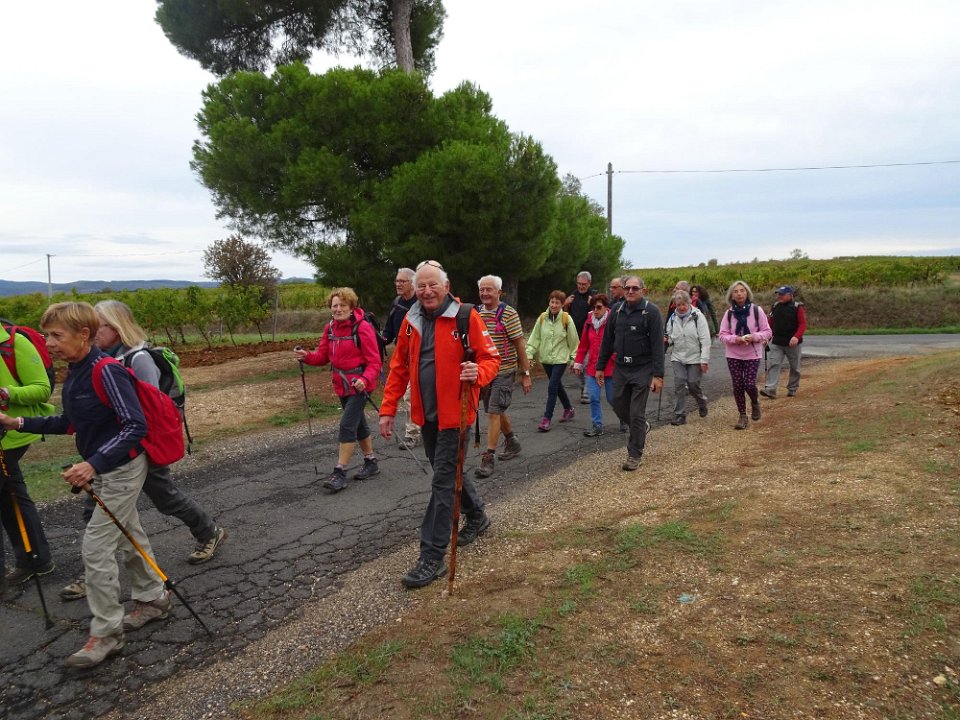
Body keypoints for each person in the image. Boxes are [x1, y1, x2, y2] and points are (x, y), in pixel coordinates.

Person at [0, 302, 168, 668]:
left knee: (95, 548)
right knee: (127, 534)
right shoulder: (76, 372)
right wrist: (18, 423)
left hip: (122, 468)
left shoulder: (106, 371)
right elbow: (70, 422)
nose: (48, 343)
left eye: (56, 336)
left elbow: (134, 426)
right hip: (107, 467)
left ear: (84, 335)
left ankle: (107, 633)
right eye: (47, 335)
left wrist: (93, 464)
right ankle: (153, 598)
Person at [57, 301, 229, 603]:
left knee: (165, 498)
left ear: (117, 326)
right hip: (115, 452)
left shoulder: (138, 359)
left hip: (140, 447)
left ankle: (209, 532)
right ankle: (94, 573)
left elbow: (149, 410)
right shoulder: (100, 359)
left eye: (101, 325)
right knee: (98, 509)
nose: (95, 331)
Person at [378, 260, 500, 589]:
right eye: (421, 286)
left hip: (456, 415)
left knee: (442, 482)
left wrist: (479, 372)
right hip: (427, 415)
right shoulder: (410, 321)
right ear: (414, 289)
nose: (427, 291)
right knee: (448, 472)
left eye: (433, 284)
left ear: (446, 287)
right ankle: (478, 516)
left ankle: (431, 556)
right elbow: (399, 368)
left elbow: (491, 358)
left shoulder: (466, 316)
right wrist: (388, 409)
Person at [296, 288, 383, 493]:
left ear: (351, 307)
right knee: (358, 424)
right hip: (341, 385)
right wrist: (306, 356)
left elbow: (375, 362)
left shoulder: (362, 328)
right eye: (334, 306)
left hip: (359, 386)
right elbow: (322, 357)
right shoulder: (330, 328)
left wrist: (364, 379)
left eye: (342, 305)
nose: (338, 309)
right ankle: (371, 462)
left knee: (347, 425)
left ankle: (340, 472)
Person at [0, 323, 55, 595]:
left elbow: (42, 389)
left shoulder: (13, 343)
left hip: (10, 435)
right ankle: (35, 559)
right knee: (10, 496)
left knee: (10, 495)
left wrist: (8, 392)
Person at [594, 276, 665, 471]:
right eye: (627, 288)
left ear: (643, 290)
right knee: (617, 403)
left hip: (643, 368)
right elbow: (607, 341)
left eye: (635, 288)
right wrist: (600, 367)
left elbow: (658, 346)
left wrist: (658, 375)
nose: (630, 291)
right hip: (621, 367)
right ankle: (640, 426)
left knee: (636, 412)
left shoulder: (651, 312)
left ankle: (634, 454)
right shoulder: (616, 311)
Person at [474, 275, 532, 478]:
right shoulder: (477, 313)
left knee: (493, 412)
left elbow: (519, 345)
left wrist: (525, 374)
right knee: (496, 410)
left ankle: (488, 457)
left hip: (504, 370)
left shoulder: (508, 314)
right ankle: (512, 442)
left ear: (499, 292)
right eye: (482, 289)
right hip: (485, 371)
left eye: (489, 289)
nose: (484, 293)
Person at [718, 280, 772, 430]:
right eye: (736, 291)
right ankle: (742, 415)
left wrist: (754, 337)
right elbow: (722, 335)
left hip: (752, 353)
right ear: (731, 296)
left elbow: (767, 331)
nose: (739, 294)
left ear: (747, 293)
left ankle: (754, 401)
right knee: (737, 385)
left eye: (742, 290)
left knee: (749, 383)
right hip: (733, 354)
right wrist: (736, 339)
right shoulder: (729, 314)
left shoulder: (757, 310)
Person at [527, 290, 580, 432]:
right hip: (546, 359)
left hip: (560, 360)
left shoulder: (566, 319)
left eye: (557, 302)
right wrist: (529, 354)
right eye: (552, 302)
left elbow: (574, 341)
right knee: (557, 386)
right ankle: (569, 409)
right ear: (549, 302)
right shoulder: (542, 318)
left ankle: (546, 419)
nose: (554, 305)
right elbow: (535, 338)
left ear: (562, 304)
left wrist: (574, 359)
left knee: (552, 387)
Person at [383, 267, 422, 450]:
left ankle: (421, 432)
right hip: (404, 358)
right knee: (409, 396)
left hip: (421, 358)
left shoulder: (421, 304)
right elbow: (389, 332)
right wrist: (379, 340)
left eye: (402, 281)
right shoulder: (397, 303)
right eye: (397, 281)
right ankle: (413, 433)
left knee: (416, 396)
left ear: (412, 283)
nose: (398, 284)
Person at [664, 290, 711, 425]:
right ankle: (680, 415)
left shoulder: (698, 317)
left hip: (695, 357)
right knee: (679, 384)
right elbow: (671, 336)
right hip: (677, 356)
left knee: (692, 384)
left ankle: (701, 401)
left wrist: (704, 360)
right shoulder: (673, 318)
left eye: (683, 304)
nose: (681, 307)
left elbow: (705, 340)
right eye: (678, 305)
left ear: (689, 303)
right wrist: (667, 340)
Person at [573, 293, 616, 437]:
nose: (595, 310)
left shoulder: (613, 321)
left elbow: (618, 343)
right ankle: (597, 425)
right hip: (592, 367)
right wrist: (578, 363)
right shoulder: (589, 322)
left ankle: (624, 418)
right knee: (593, 397)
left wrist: (615, 358)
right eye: (593, 307)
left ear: (605, 307)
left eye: (598, 307)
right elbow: (583, 345)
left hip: (610, 368)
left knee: (612, 399)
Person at [761, 285, 807, 399]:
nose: (779, 296)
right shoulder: (774, 307)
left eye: (782, 294)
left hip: (793, 343)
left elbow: (802, 324)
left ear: (790, 295)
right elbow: (770, 323)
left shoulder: (797, 307)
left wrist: (796, 337)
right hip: (777, 342)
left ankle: (792, 388)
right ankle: (770, 389)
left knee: (795, 367)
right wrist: (767, 337)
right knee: (774, 364)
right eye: (778, 294)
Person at [564, 271, 596, 403]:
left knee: (587, 363)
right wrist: (565, 304)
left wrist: (592, 304)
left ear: (589, 284)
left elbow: (600, 314)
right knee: (577, 364)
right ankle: (584, 386)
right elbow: (565, 316)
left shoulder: (594, 297)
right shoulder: (572, 296)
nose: (581, 286)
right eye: (579, 284)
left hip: (589, 335)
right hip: (575, 336)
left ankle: (586, 391)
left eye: (584, 284)